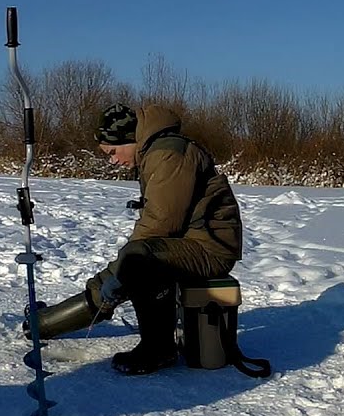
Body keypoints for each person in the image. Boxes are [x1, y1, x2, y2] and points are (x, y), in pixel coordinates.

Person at [27, 103, 243, 375]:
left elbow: (160, 225)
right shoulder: (158, 151)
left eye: (113, 152)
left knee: (139, 260)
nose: (113, 160)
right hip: (194, 242)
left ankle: (158, 349)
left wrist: (115, 278)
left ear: (132, 140)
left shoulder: (168, 155)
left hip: (210, 248)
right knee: (134, 262)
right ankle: (47, 323)